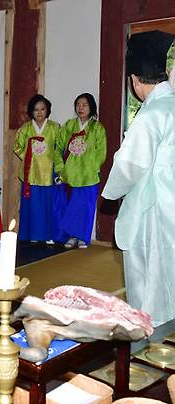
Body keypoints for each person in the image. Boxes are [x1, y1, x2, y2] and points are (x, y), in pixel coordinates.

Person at [101, 30, 175, 327]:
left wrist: (110, 193)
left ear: (134, 80)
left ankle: (152, 344)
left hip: (152, 210)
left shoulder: (153, 112)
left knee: (149, 284)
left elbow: (130, 164)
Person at [53, 93, 106, 249]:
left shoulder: (97, 128)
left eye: (85, 105)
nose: (81, 108)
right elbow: (58, 148)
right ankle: (71, 236)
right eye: (78, 105)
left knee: (86, 207)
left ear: (91, 108)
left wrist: (92, 167)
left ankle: (83, 237)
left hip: (88, 175)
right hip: (69, 174)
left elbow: (101, 152)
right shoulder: (69, 126)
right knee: (71, 207)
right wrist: (61, 169)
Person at [13, 94, 60, 244]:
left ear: (47, 110)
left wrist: (58, 167)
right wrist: (28, 157)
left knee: (48, 205)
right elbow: (17, 147)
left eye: (42, 109)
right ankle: (32, 234)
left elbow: (59, 147)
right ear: (31, 112)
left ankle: (49, 235)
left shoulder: (55, 128)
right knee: (32, 206)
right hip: (31, 172)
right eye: (36, 110)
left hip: (48, 171)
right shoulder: (25, 129)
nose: (39, 112)